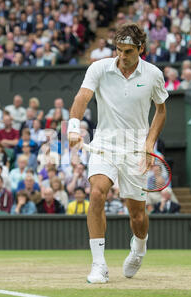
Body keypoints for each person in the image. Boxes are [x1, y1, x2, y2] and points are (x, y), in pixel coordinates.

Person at [67, 23, 168, 283]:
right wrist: (74, 127)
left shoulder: (154, 74)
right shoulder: (99, 68)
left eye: (129, 51)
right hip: (105, 143)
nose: (123, 56)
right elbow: (82, 97)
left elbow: (161, 111)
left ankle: (139, 247)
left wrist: (149, 144)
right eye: (119, 50)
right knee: (97, 193)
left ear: (140, 49)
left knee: (137, 215)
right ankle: (99, 265)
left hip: (136, 147)